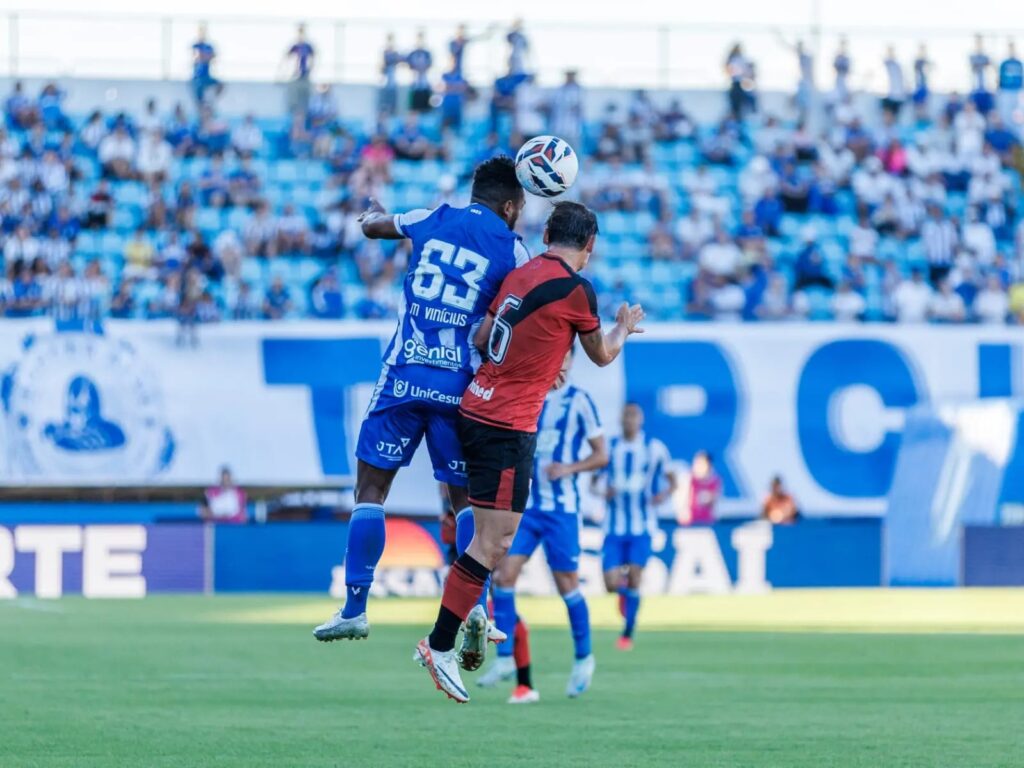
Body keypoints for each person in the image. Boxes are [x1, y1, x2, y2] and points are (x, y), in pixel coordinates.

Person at [415, 202, 645, 703]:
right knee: (494, 546)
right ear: (590, 246)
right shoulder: (578, 290)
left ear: (545, 233)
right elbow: (601, 355)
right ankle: (440, 643)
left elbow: (482, 336)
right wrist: (624, 326)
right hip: (507, 426)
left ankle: (472, 617)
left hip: (474, 409)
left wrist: (536, 361)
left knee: (481, 533)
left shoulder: (520, 274)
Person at [312, 156, 530, 646]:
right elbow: (527, 306)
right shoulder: (515, 251)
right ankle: (476, 606)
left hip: (405, 374)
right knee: (464, 500)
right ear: (511, 206)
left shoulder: (432, 216)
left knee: (370, 492)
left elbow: (373, 228)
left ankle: (354, 608)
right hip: (459, 387)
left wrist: (373, 215)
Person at [476, 350, 608, 703]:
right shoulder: (529, 395)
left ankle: (584, 657)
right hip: (528, 507)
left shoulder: (579, 402)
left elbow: (602, 454)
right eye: (556, 358)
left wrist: (569, 468)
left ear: (572, 361)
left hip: (562, 509)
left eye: (566, 359)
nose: (560, 365)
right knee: (503, 576)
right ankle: (505, 659)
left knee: (567, 585)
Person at [600, 402, 675, 652]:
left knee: (635, 576)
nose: (629, 420)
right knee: (610, 583)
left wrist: (662, 497)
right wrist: (603, 491)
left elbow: (673, 480)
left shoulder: (654, 449)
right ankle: (621, 594)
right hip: (613, 527)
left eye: (634, 416)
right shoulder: (610, 447)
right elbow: (592, 483)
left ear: (640, 420)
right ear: (621, 419)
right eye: (626, 416)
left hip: (642, 526)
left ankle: (627, 633)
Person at [284, 23, 315, 119]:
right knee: (294, 100)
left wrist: (310, 69)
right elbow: (287, 57)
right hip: (296, 76)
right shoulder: (295, 46)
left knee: (308, 97)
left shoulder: (308, 46)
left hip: (305, 75)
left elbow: (313, 58)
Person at [687, 450, 721, 525]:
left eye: (702, 464)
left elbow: (714, 502)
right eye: (697, 464)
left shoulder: (715, 481)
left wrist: (709, 499)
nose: (698, 467)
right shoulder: (688, 480)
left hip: (707, 524)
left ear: (709, 466)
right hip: (689, 525)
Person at [191, 23, 219, 108]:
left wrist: (205, 56)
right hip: (198, 77)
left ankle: (211, 101)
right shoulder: (196, 45)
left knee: (220, 85)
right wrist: (204, 56)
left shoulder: (208, 46)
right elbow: (197, 57)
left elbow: (212, 56)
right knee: (199, 97)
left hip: (206, 75)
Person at [998, 42, 1023, 130]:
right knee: (1006, 115)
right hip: (1006, 91)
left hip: (1018, 91)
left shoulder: (1019, 63)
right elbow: (1000, 78)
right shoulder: (1004, 63)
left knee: (1019, 115)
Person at [406, 31, 433, 112]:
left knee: (425, 109)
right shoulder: (412, 53)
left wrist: (423, 66)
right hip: (415, 85)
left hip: (424, 85)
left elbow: (429, 65)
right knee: (414, 109)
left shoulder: (427, 53)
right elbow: (410, 66)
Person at [379, 33, 403, 117]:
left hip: (392, 79)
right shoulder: (384, 52)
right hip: (386, 79)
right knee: (385, 99)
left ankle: (392, 111)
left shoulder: (395, 52)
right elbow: (382, 66)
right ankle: (385, 111)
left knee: (392, 97)